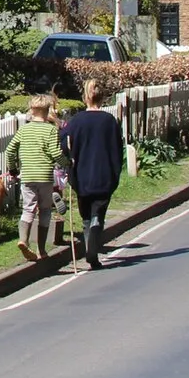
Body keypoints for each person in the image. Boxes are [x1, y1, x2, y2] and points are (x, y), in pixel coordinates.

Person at [60, 78, 126, 270]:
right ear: (102, 97)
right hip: (104, 172)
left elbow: (64, 144)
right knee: (99, 207)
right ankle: (97, 225)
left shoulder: (76, 121)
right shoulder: (109, 120)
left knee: (85, 211)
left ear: (85, 97)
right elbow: (117, 147)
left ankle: (90, 232)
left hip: (82, 173)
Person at [3, 93, 65, 262]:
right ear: (47, 111)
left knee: (28, 208)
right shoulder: (51, 129)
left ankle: (23, 240)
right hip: (45, 176)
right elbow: (55, 152)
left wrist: (14, 168)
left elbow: (9, 151)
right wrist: (67, 163)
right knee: (45, 210)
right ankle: (42, 250)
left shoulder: (23, 129)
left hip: (28, 176)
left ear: (31, 110)